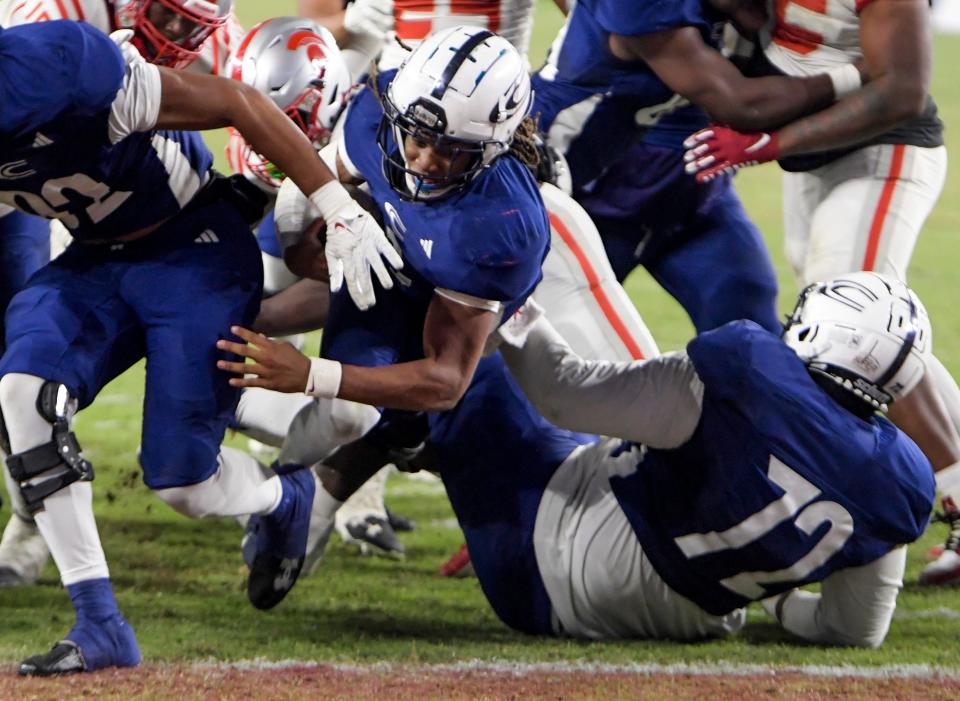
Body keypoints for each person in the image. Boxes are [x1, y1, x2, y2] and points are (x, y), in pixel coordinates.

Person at [0, 19, 396, 675]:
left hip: (193, 248)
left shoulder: (62, 67)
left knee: (181, 480)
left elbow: (238, 102)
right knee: (22, 393)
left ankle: (284, 500)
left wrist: (340, 208)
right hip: (94, 261)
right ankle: (99, 622)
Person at [219, 25, 555, 607]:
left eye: (451, 148)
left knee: (421, 427)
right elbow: (323, 172)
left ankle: (318, 484)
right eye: (416, 137)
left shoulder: (501, 227)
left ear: (493, 145)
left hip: (465, 304)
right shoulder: (380, 107)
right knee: (344, 411)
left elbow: (445, 379)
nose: (423, 159)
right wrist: (302, 242)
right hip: (386, 262)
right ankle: (276, 470)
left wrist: (309, 376)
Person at [423, 271, 937, 646]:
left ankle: (380, 442)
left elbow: (561, 393)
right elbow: (854, 631)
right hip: (692, 621)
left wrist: (510, 295)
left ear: (818, 332)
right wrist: (776, 597)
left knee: (452, 346)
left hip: (546, 561)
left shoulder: (746, 375)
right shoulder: (899, 484)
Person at [681, 0, 960, 584]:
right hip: (815, 160)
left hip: (884, 149)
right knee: (864, 336)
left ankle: (933, 498)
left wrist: (772, 142)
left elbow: (903, 90)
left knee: (857, 334)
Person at [0, 0, 242, 588]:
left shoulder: (218, 41)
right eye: (168, 13)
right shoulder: (53, 21)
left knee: (34, 374)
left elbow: (247, 108)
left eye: (192, 21)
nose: (178, 30)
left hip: (148, 212)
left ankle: (31, 524)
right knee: (20, 372)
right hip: (29, 184)